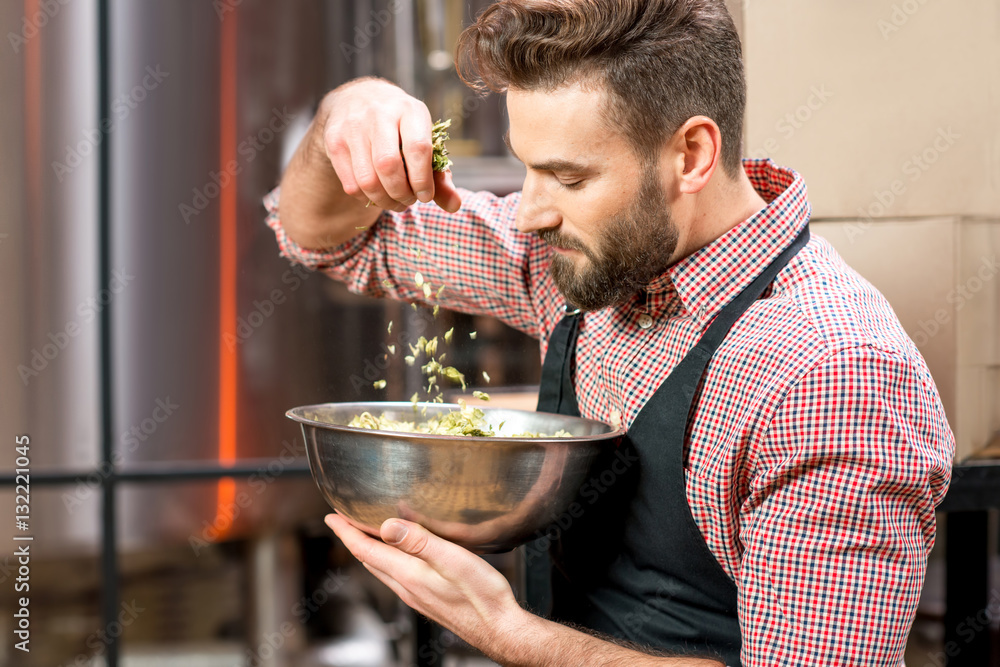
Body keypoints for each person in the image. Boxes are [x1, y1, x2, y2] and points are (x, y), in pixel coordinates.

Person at [265, 1, 954, 664]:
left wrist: (507, 632)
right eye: (526, 167)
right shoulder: (571, 263)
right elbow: (324, 238)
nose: (530, 211)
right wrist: (345, 116)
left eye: (566, 176)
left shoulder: (833, 375)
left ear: (691, 156)